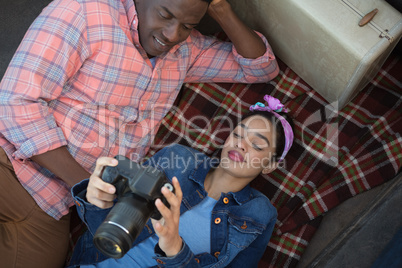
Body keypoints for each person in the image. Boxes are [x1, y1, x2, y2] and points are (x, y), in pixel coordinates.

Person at [0, 0, 279, 266]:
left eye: (187, 25)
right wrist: (88, 185)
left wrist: (220, 9)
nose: (172, 35)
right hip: (11, 166)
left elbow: (261, 68)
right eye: (165, 15)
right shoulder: (84, 12)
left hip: (53, 210)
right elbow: (14, 103)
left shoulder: (186, 52)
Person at [67, 96, 294, 267]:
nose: (241, 145)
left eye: (256, 145)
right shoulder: (180, 159)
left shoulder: (260, 214)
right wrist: (97, 200)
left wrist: (174, 248)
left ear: (270, 165)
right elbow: (103, 226)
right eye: (238, 134)